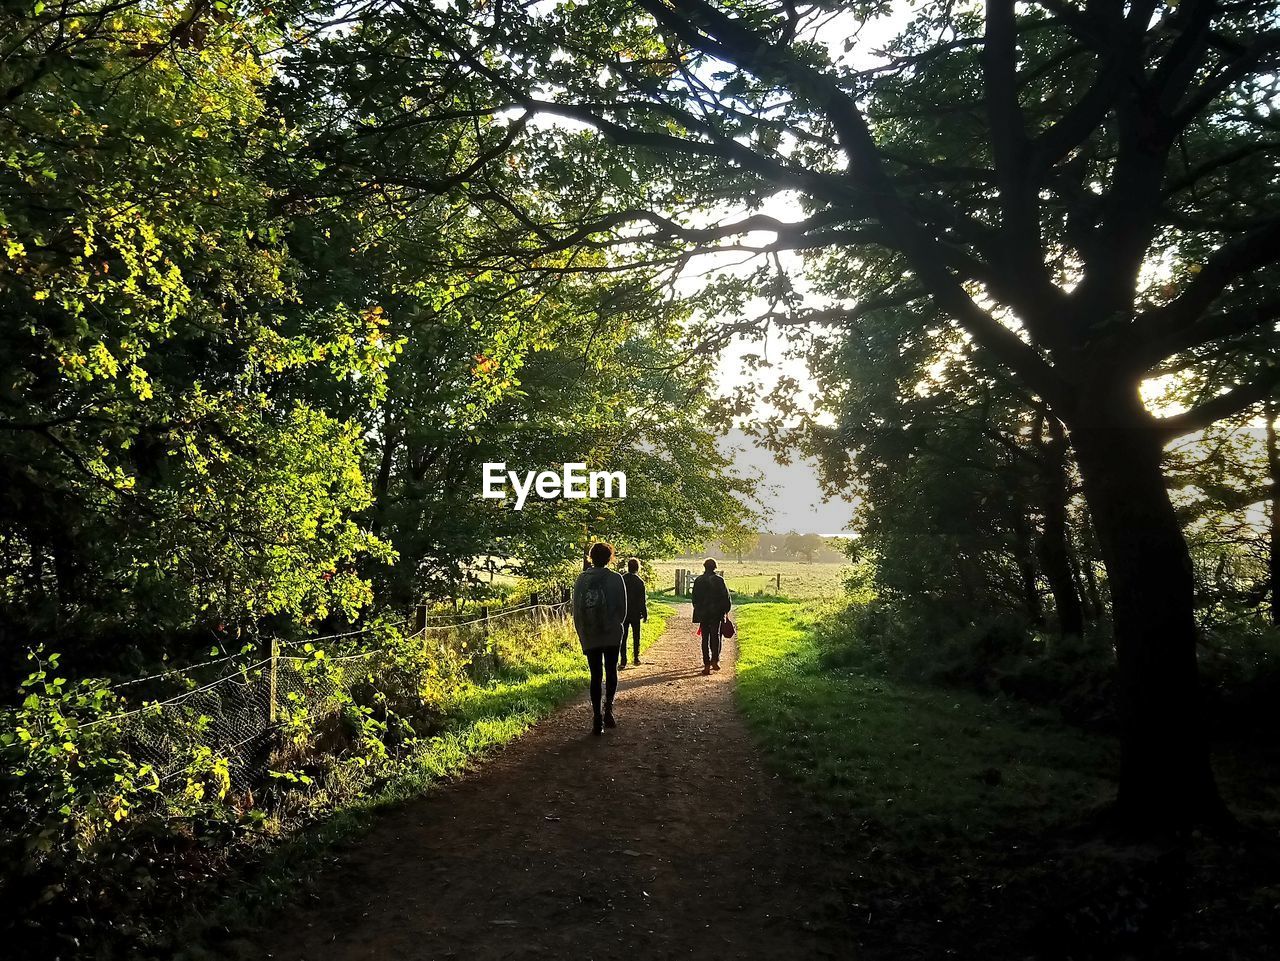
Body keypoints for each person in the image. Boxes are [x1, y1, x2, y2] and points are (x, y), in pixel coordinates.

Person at [572, 541, 628, 735]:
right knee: (611, 671)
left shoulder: (581, 580)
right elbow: (623, 609)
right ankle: (609, 710)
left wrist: (582, 631)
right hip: (611, 632)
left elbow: (576, 610)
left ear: (590, 557)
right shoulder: (616, 579)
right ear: (609, 558)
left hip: (590, 634)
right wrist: (615, 625)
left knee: (595, 675)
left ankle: (596, 717)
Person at [691, 557, 731, 675]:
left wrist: (698, 609)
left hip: (703, 613)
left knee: (705, 638)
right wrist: (726, 611)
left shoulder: (699, 580)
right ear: (715, 567)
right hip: (716, 613)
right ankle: (715, 660)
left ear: (704, 567)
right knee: (716, 636)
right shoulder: (719, 580)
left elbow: (694, 598)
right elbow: (726, 597)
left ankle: (706, 664)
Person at [619, 558, 648, 669]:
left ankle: (623, 660)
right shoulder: (639, 582)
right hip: (635, 613)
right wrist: (644, 613)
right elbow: (642, 600)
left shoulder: (622, 579)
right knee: (636, 636)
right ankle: (636, 658)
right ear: (637, 568)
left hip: (624, 612)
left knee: (623, 636)